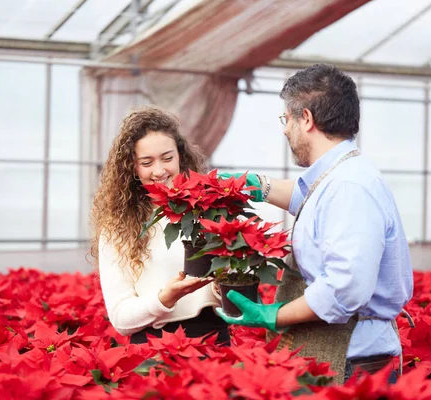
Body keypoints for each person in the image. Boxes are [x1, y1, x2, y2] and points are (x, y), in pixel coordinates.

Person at [217, 64, 413, 383]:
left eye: (287, 120)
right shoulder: (340, 176)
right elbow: (310, 198)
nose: (285, 130)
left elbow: (345, 288)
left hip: (353, 362)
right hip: (345, 352)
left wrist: (273, 315)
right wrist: (256, 184)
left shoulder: (349, 187)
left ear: (306, 119)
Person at [90, 105, 229, 345]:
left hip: (214, 340)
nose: (159, 170)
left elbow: (240, 299)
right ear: (132, 168)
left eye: (167, 158)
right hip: (153, 348)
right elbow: (121, 320)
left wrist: (223, 283)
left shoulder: (211, 209)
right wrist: (165, 298)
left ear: (180, 157)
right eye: (146, 162)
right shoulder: (118, 228)